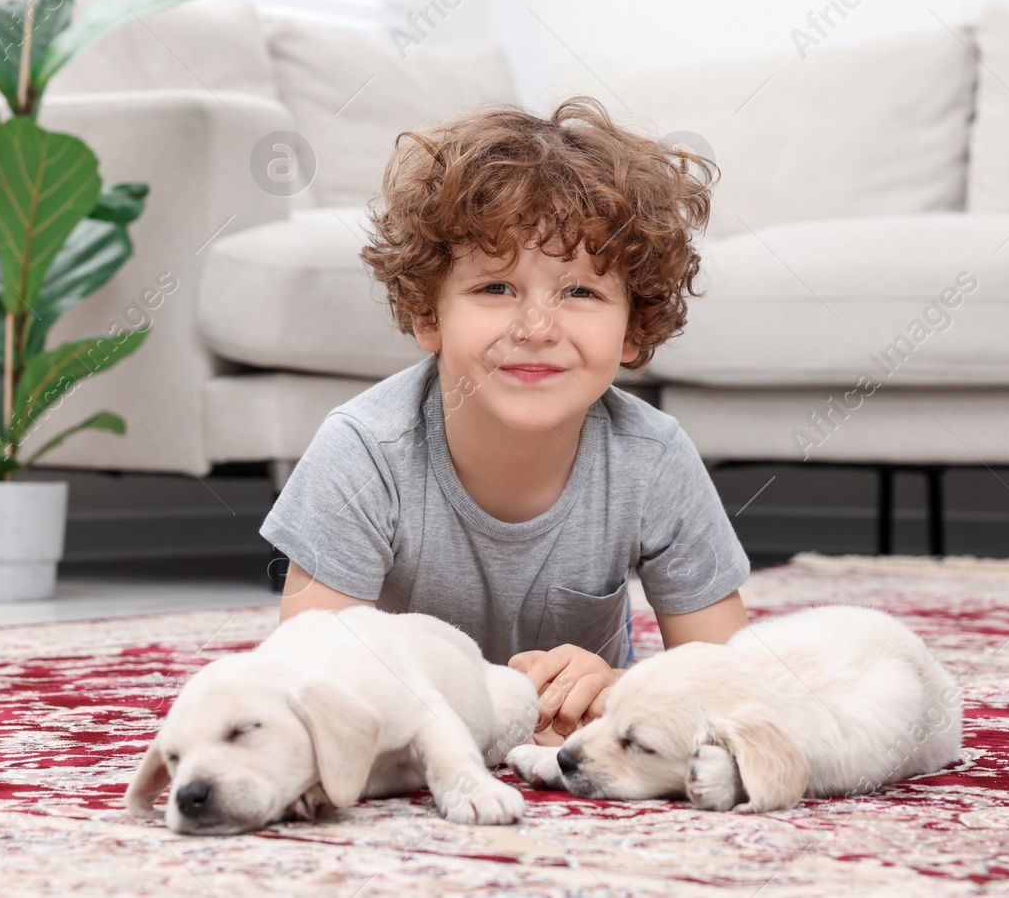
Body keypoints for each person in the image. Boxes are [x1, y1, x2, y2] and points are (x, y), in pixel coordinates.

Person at [262, 96, 750, 744]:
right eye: (496, 287)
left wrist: (619, 691)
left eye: (580, 291)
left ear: (633, 328)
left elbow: (735, 686)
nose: (537, 327)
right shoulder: (364, 451)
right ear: (428, 315)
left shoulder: (653, 457)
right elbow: (303, 681)